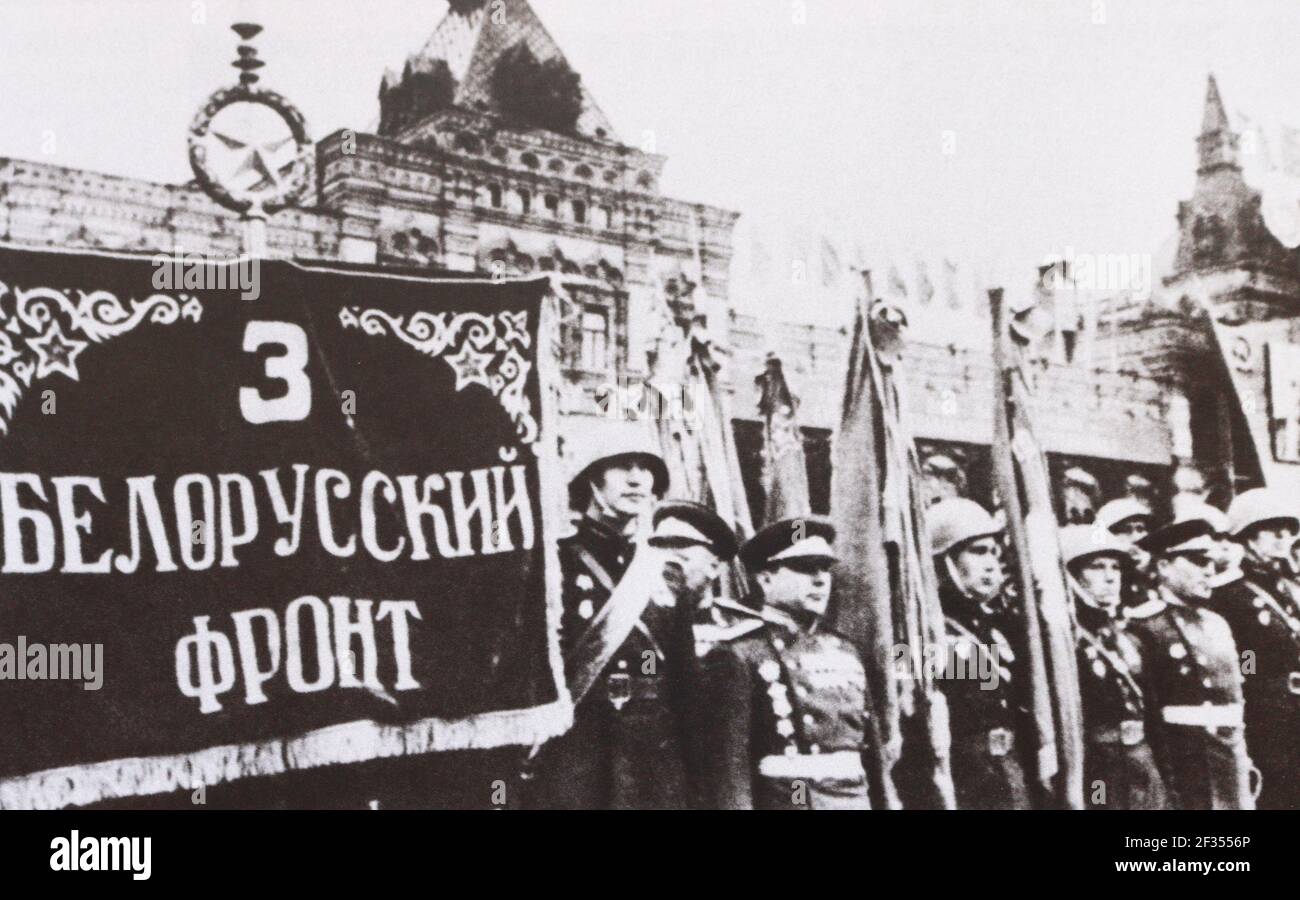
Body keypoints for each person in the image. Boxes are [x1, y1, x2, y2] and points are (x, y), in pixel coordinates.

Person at [523, 435, 695, 809]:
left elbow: (684, 682)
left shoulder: (666, 573)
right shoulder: (553, 562)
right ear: (591, 480)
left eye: (646, 469)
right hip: (575, 751)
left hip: (651, 756)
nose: (637, 479)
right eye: (622, 467)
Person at [692, 518, 872, 809]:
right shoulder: (741, 653)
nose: (820, 579)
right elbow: (730, 768)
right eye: (804, 567)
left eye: (825, 567)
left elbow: (871, 759)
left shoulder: (846, 651)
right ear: (765, 579)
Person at [1124, 516, 1255, 809]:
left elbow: (1237, 696)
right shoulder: (1145, 627)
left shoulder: (1218, 623)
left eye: (1211, 562)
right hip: (1184, 764)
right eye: (1197, 561)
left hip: (1229, 759)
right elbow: (1144, 714)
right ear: (1163, 566)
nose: (1209, 571)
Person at [927, 498, 1033, 809]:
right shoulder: (925, 631)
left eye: (993, 553)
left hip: (1007, 771)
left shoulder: (997, 629)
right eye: (977, 551)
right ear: (946, 559)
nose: (991, 563)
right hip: (962, 780)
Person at [1059, 526, 1167, 809]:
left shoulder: (1124, 634)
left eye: (1115, 568)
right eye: (1097, 567)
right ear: (1073, 575)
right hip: (1100, 771)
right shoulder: (1066, 639)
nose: (1109, 577)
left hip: (1140, 760)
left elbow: (1152, 708)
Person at [1211, 489, 1300, 809]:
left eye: (1288, 531)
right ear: (1248, 536)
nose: (1284, 537)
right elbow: (1242, 660)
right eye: (1273, 530)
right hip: (1266, 716)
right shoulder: (1230, 594)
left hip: (1293, 711)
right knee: (1275, 792)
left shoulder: (1286, 587)